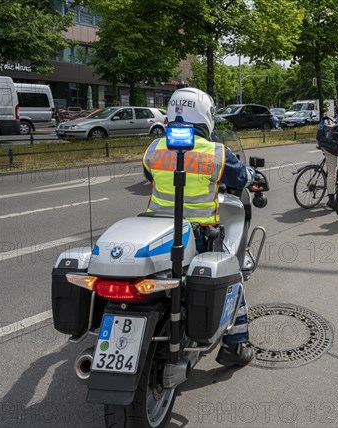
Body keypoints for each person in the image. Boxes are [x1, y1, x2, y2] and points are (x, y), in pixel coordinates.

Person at [142, 87, 256, 367]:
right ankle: (235, 344)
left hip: (155, 234)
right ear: (207, 115)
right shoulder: (216, 152)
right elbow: (239, 177)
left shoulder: (154, 148)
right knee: (233, 279)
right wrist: (253, 173)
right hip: (197, 236)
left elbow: (149, 173)